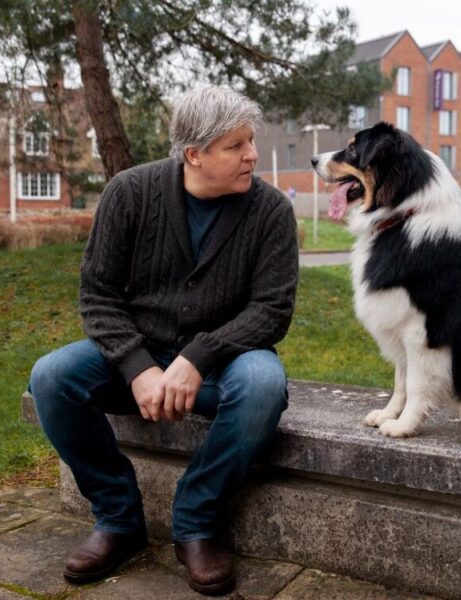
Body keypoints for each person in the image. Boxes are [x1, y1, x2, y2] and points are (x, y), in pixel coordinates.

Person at [28, 86, 298, 596]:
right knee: (52, 376)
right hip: (139, 351)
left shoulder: (270, 213)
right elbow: (98, 296)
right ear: (194, 154)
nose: (252, 155)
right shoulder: (130, 193)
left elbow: (271, 311)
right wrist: (139, 368)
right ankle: (117, 519)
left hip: (224, 363)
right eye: (236, 145)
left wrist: (197, 358)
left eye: (251, 141)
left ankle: (195, 522)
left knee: (264, 384)